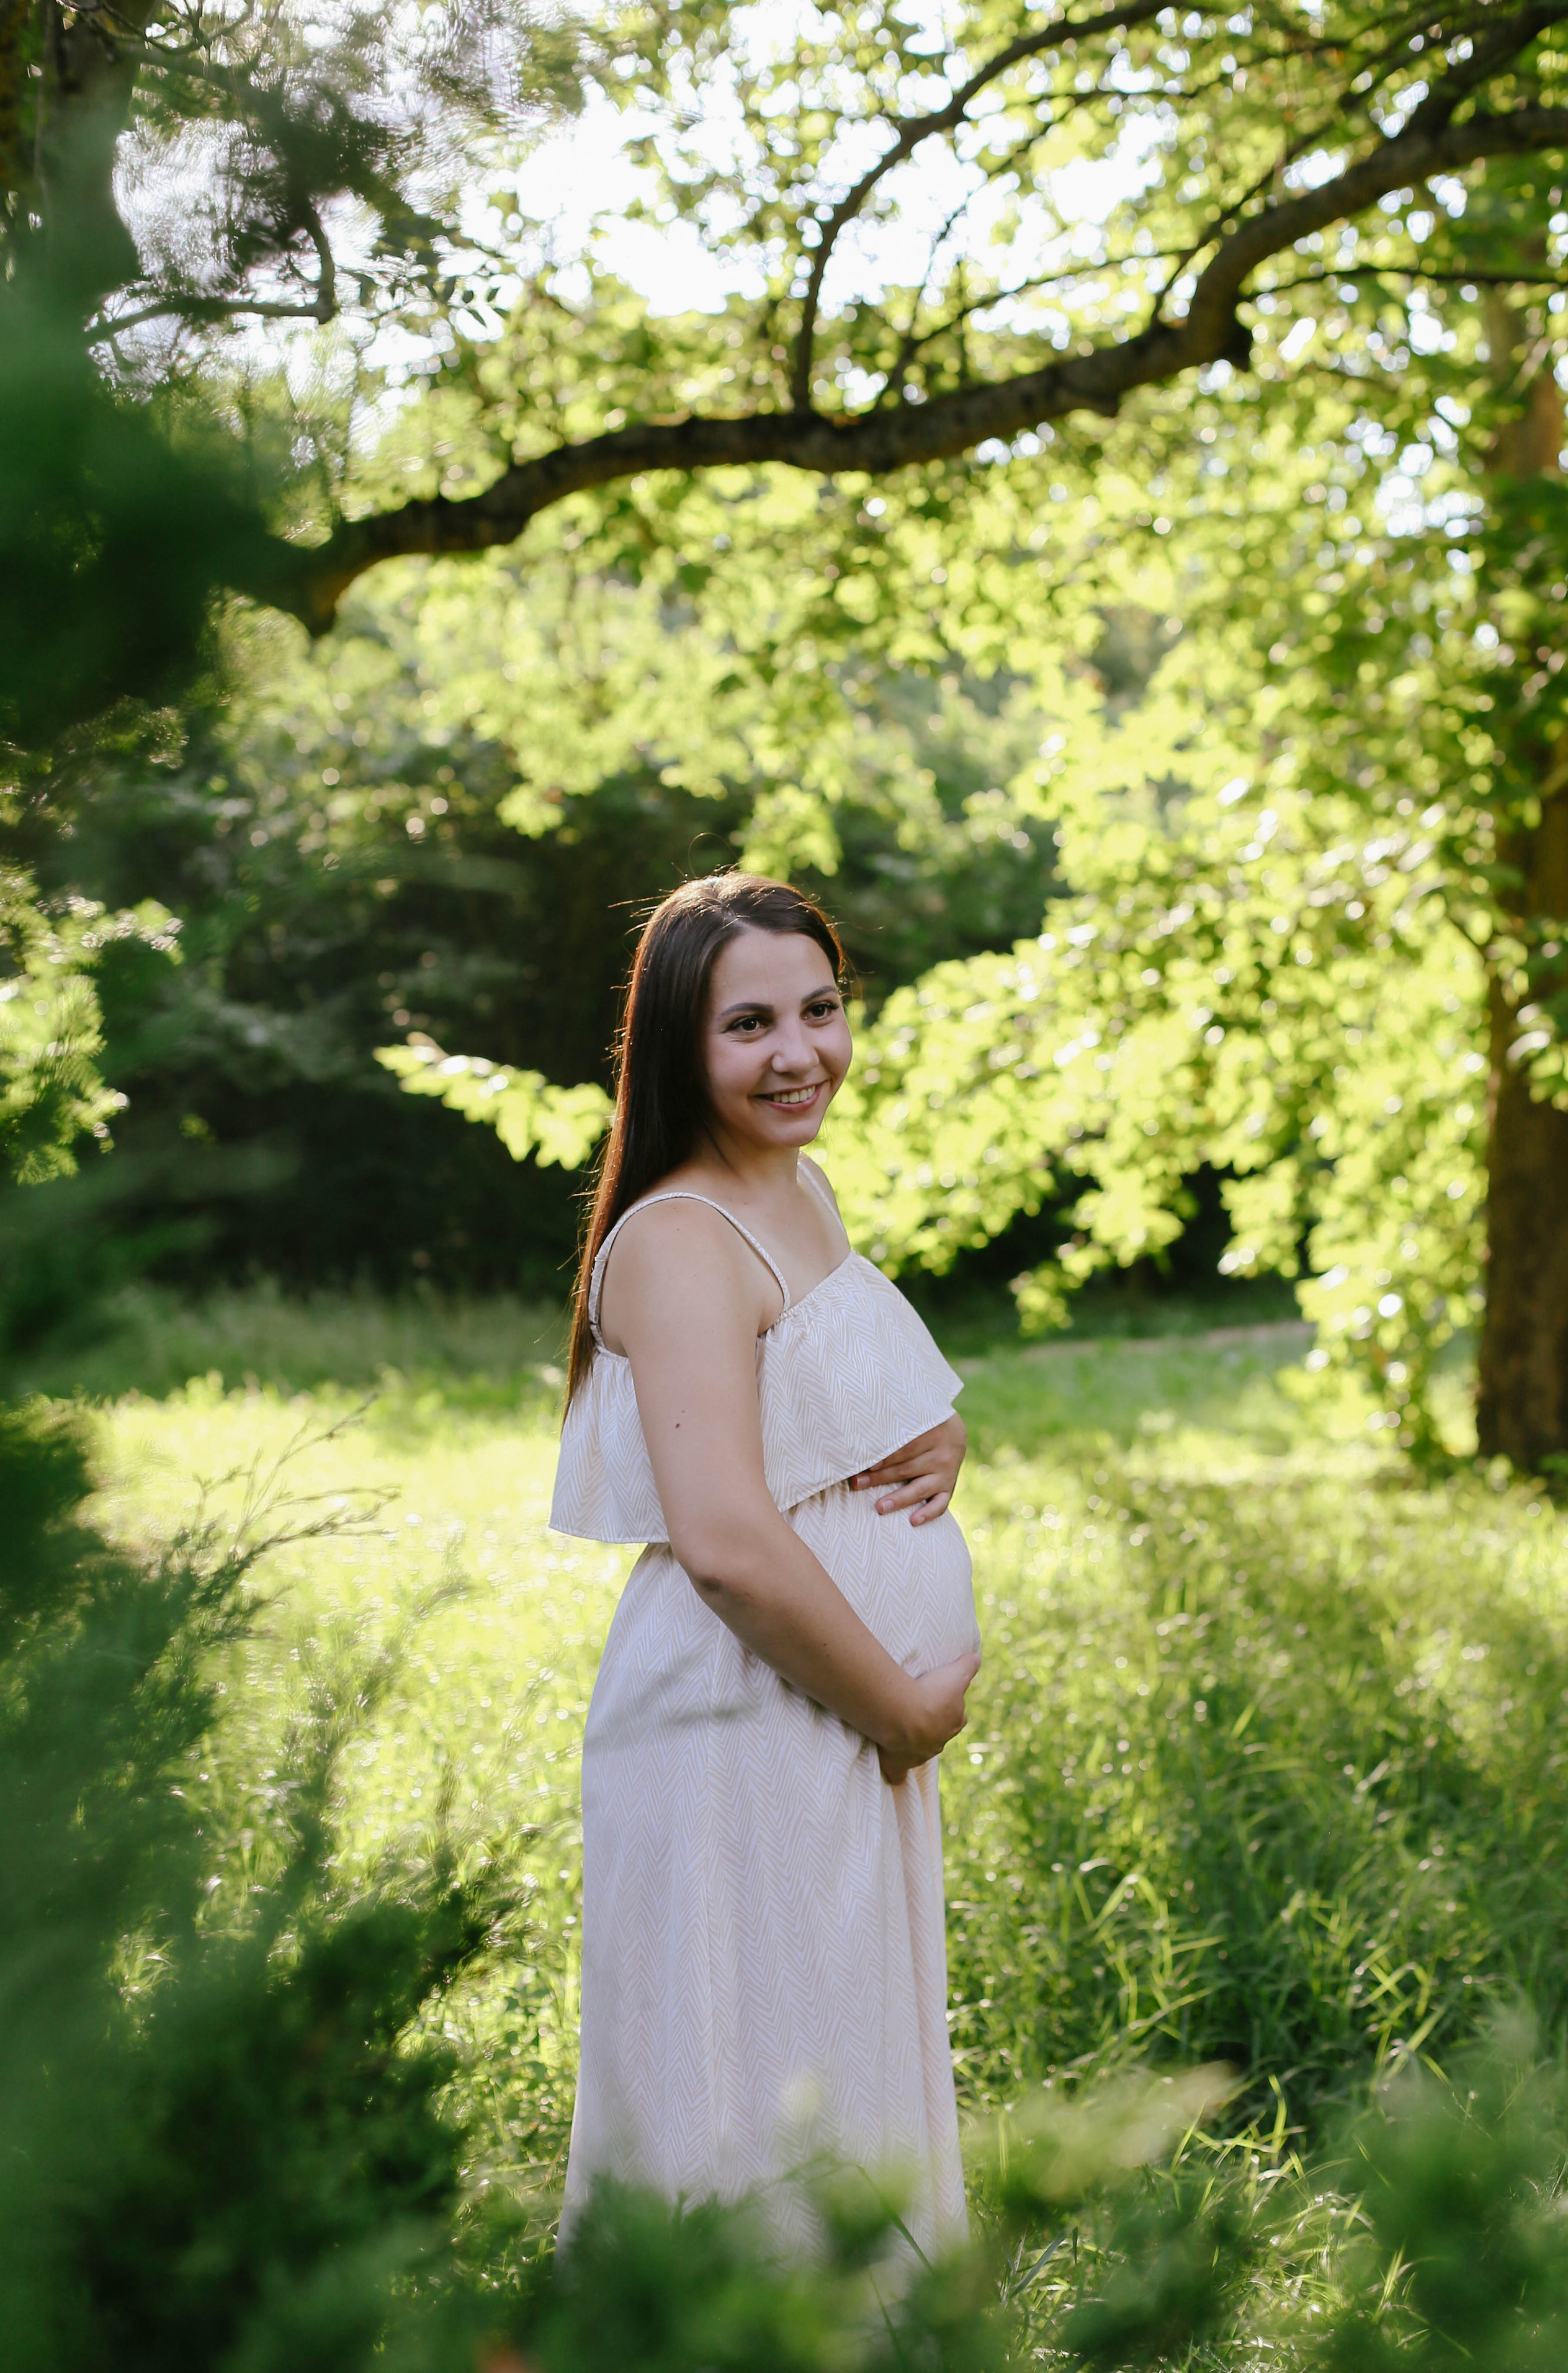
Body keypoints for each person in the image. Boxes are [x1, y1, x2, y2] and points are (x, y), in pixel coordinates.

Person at [550, 872, 980, 2254]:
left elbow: (815, 1399)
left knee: (835, 2071)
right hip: (743, 1727)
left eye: (819, 1009)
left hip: (818, 1723)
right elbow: (728, 1542)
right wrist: (900, 1710)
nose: (798, 1053)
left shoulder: (797, 1188)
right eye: (749, 1025)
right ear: (680, 1045)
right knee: (744, 2094)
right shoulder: (681, 1238)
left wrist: (934, 1434)